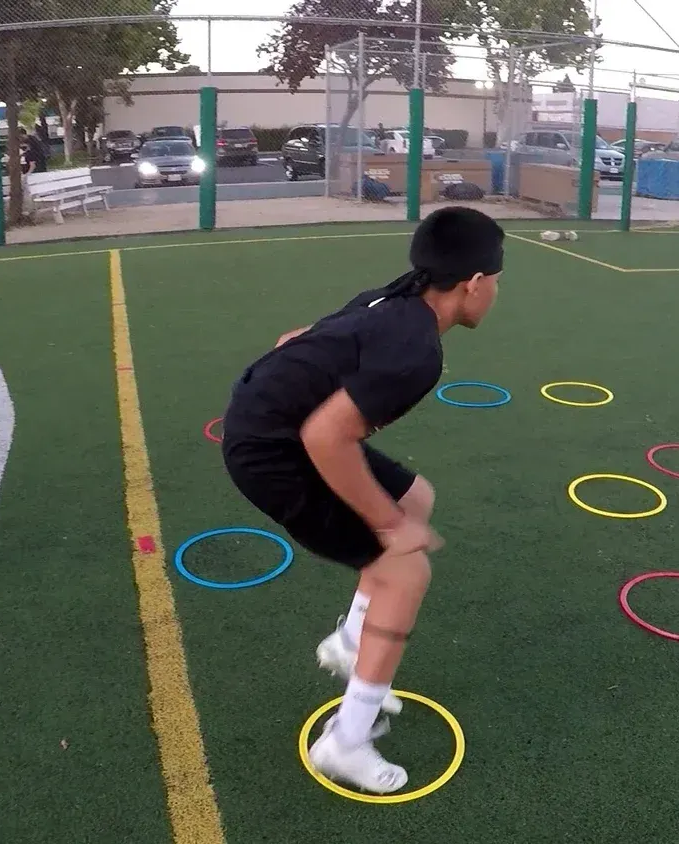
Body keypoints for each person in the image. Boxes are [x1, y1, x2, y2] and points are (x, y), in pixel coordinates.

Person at [220, 206, 504, 794]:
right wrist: (388, 525)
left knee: (416, 498)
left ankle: (351, 642)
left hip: (277, 423)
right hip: (274, 452)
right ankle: (346, 742)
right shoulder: (418, 350)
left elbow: (292, 342)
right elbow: (325, 437)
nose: (495, 292)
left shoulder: (389, 299)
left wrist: (398, 513)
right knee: (405, 568)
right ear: (473, 283)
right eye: (496, 280)